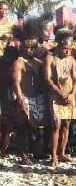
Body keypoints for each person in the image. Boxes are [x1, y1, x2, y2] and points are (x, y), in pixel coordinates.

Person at [11, 33, 49, 163]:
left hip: (38, 97)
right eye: (28, 48)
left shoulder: (38, 62)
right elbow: (16, 82)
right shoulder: (19, 62)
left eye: (33, 48)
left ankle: (37, 152)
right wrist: (20, 98)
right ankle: (23, 154)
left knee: (38, 127)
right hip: (25, 96)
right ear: (22, 47)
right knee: (23, 127)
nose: (30, 50)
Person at [44, 28, 76, 166]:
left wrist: (72, 94)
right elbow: (48, 79)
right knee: (56, 125)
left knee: (66, 125)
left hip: (69, 96)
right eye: (65, 48)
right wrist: (60, 93)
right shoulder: (50, 57)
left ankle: (62, 152)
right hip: (55, 95)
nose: (67, 51)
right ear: (58, 44)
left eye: (69, 48)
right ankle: (53, 155)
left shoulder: (71, 60)